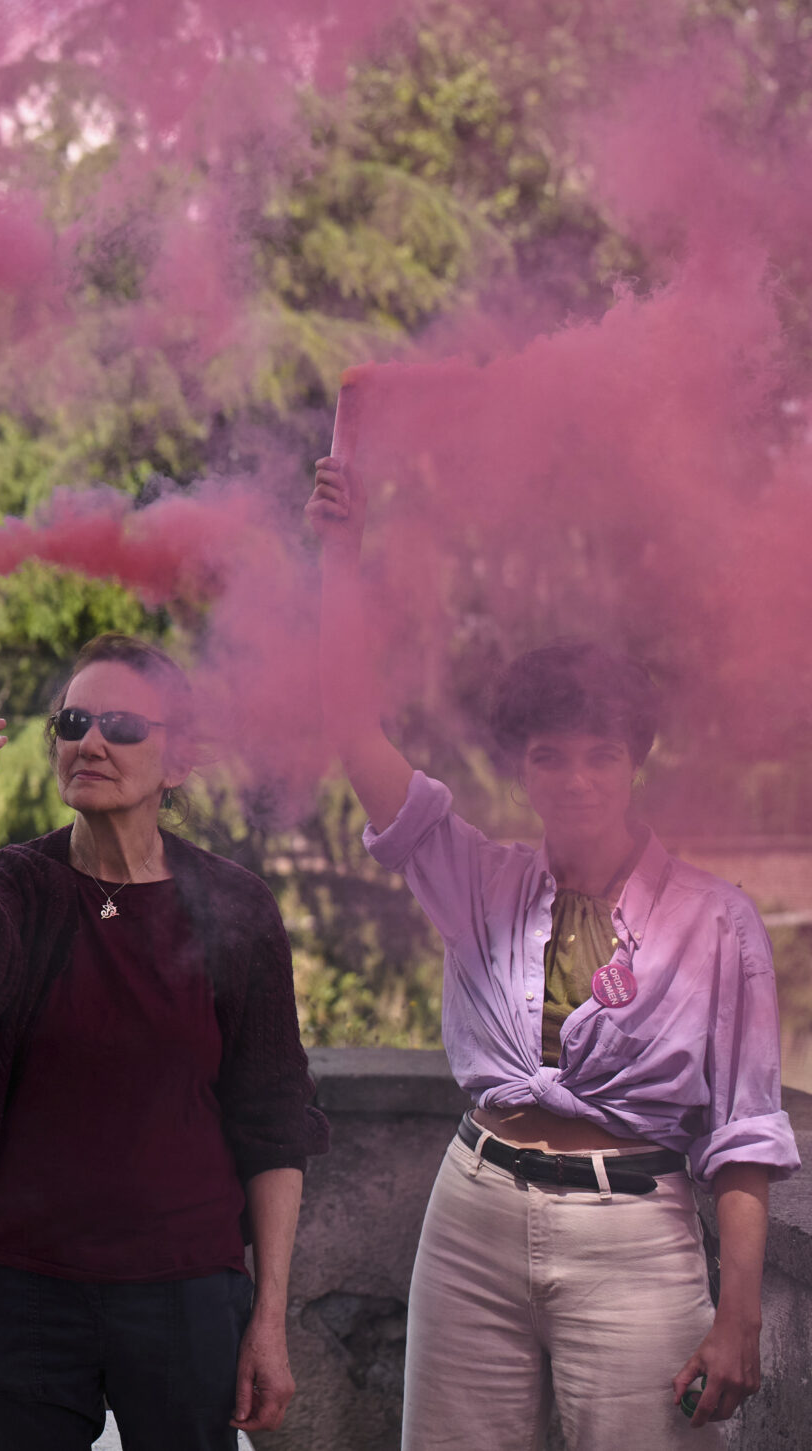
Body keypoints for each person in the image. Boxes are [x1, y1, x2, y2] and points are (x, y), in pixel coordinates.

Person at [308, 455, 797, 1447]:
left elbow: (744, 1136)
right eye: (548, 756)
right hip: (471, 1214)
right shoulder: (475, 878)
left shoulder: (716, 923)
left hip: (634, 1236)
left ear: (633, 760)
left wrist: (737, 1314)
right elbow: (346, 726)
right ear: (519, 767)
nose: (575, 778)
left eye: (599, 754)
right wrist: (336, 558)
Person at [0, 632, 325, 1451]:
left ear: (178, 760)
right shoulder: (23, 883)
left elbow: (273, 1120)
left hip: (186, 1289)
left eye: (123, 727)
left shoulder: (233, 909)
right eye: (72, 721)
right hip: (24, 1286)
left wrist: (268, 1318)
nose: (90, 742)